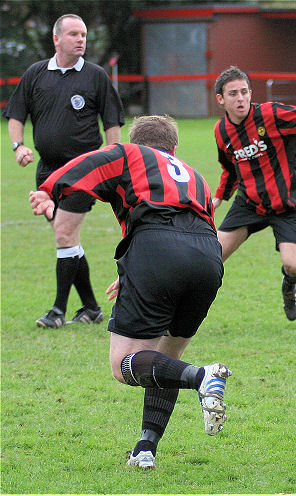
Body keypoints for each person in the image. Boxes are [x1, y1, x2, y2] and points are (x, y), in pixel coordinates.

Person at [29, 115, 232, 470]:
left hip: (157, 249)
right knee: (167, 359)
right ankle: (145, 449)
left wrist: (48, 189)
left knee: (123, 365)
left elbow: (89, 162)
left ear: (136, 140)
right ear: (174, 148)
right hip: (207, 257)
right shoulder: (194, 175)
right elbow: (195, 227)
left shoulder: (130, 153)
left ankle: (204, 376)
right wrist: (135, 272)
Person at [3, 13, 125, 328]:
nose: (80, 39)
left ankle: (58, 311)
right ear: (57, 38)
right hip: (46, 174)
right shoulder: (35, 74)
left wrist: (111, 165)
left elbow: (112, 123)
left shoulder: (96, 76)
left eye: (83, 34)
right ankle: (91, 308)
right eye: (73, 34)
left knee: (63, 233)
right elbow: (15, 114)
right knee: (68, 238)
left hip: (84, 172)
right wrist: (19, 146)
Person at [212, 66, 296, 321]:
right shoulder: (221, 131)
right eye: (233, 94)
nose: (240, 98)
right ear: (221, 99)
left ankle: (289, 285)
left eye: (244, 92)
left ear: (251, 93)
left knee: (293, 265)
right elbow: (230, 167)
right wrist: (219, 196)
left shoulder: (271, 114)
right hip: (249, 204)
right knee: (210, 259)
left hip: (286, 203)